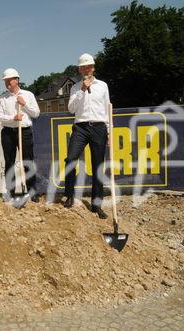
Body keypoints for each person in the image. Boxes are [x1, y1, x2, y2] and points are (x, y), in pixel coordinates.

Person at [64, 53, 110, 219]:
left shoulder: (103, 86)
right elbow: (71, 109)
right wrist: (82, 89)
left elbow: (107, 109)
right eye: (83, 67)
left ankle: (96, 205)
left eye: (89, 66)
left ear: (93, 68)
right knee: (70, 159)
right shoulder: (75, 88)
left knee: (98, 165)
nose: (86, 69)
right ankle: (69, 195)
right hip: (81, 127)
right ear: (79, 69)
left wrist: (109, 132)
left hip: (99, 127)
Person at [0, 68, 40, 203]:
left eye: (9, 80)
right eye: (5, 81)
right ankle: (11, 191)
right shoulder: (2, 98)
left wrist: (24, 104)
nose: (7, 82)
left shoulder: (28, 94)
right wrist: (13, 117)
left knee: (28, 161)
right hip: (8, 132)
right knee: (9, 162)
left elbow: (36, 113)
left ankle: (31, 190)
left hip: (24, 131)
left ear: (17, 80)